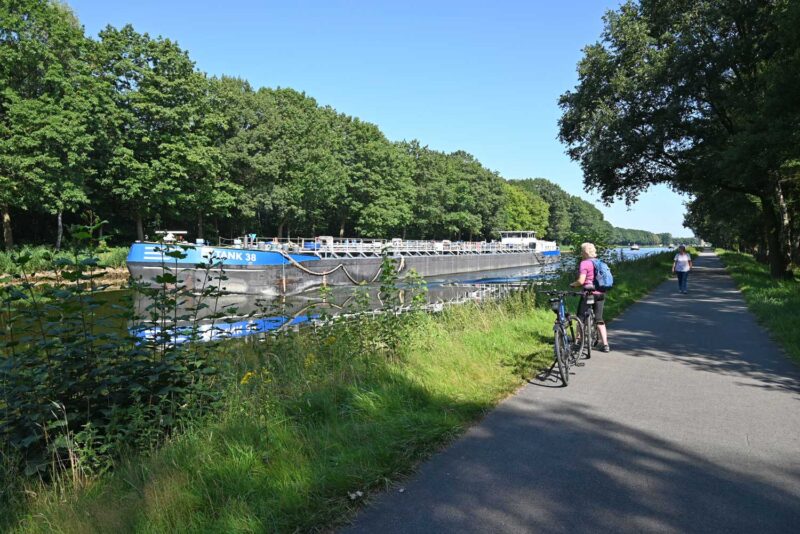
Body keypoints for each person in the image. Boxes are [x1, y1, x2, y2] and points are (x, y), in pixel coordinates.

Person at [570, 242, 610, 352]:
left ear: (585, 252)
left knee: (580, 318)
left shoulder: (584, 263)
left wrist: (573, 284)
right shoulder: (599, 262)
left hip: (588, 293)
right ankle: (605, 345)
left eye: (582, 251)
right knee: (599, 319)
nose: (581, 253)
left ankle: (578, 342)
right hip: (601, 293)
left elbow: (581, 281)